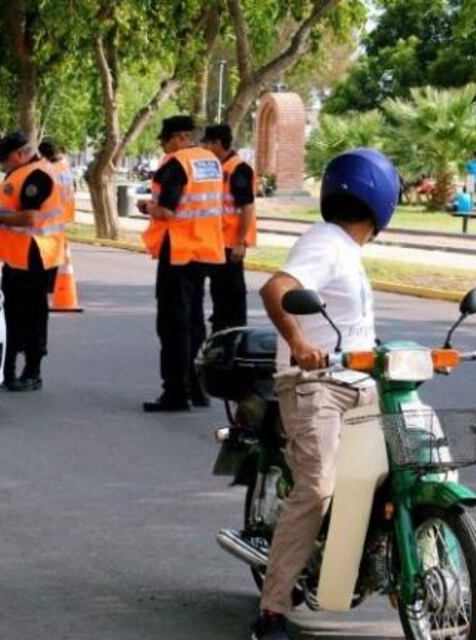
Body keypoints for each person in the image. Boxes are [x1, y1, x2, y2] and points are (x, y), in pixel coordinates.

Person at [250, 148, 399, 640]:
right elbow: (277, 289)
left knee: (405, 467)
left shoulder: (348, 254)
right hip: (315, 385)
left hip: (358, 383)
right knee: (316, 487)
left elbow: (349, 325)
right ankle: (272, 610)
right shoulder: (327, 242)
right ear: (384, 198)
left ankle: (390, 566)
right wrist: (298, 343)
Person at [137, 115, 225, 412]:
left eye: (165, 140)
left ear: (179, 137)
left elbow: (167, 212)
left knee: (173, 325)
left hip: (178, 252)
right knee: (195, 321)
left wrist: (146, 206)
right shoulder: (211, 162)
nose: (164, 146)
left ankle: (175, 391)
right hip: (204, 250)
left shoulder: (176, 164)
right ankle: (195, 387)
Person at [0, 131, 64, 391]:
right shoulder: (21, 172)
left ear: (22, 153)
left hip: (37, 255)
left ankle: (32, 372)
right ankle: (7, 370)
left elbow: (29, 218)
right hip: (17, 256)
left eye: (7, 158)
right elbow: (12, 202)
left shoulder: (38, 175)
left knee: (33, 315)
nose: (4, 163)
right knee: (11, 314)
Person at [201, 123, 257, 332]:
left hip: (232, 244)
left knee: (232, 294)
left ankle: (234, 335)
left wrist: (240, 242)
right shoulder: (217, 168)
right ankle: (221, 332)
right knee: (219, 292)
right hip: (218, 243)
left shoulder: (238, 169)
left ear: (217, 143)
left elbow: (247, 207)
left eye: (207, 143)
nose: (205, 147)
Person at [39, 137, 75, 226]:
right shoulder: (64, 167)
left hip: (52, 218)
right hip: (66, 214)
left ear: (43, 155)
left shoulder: (47, 170)